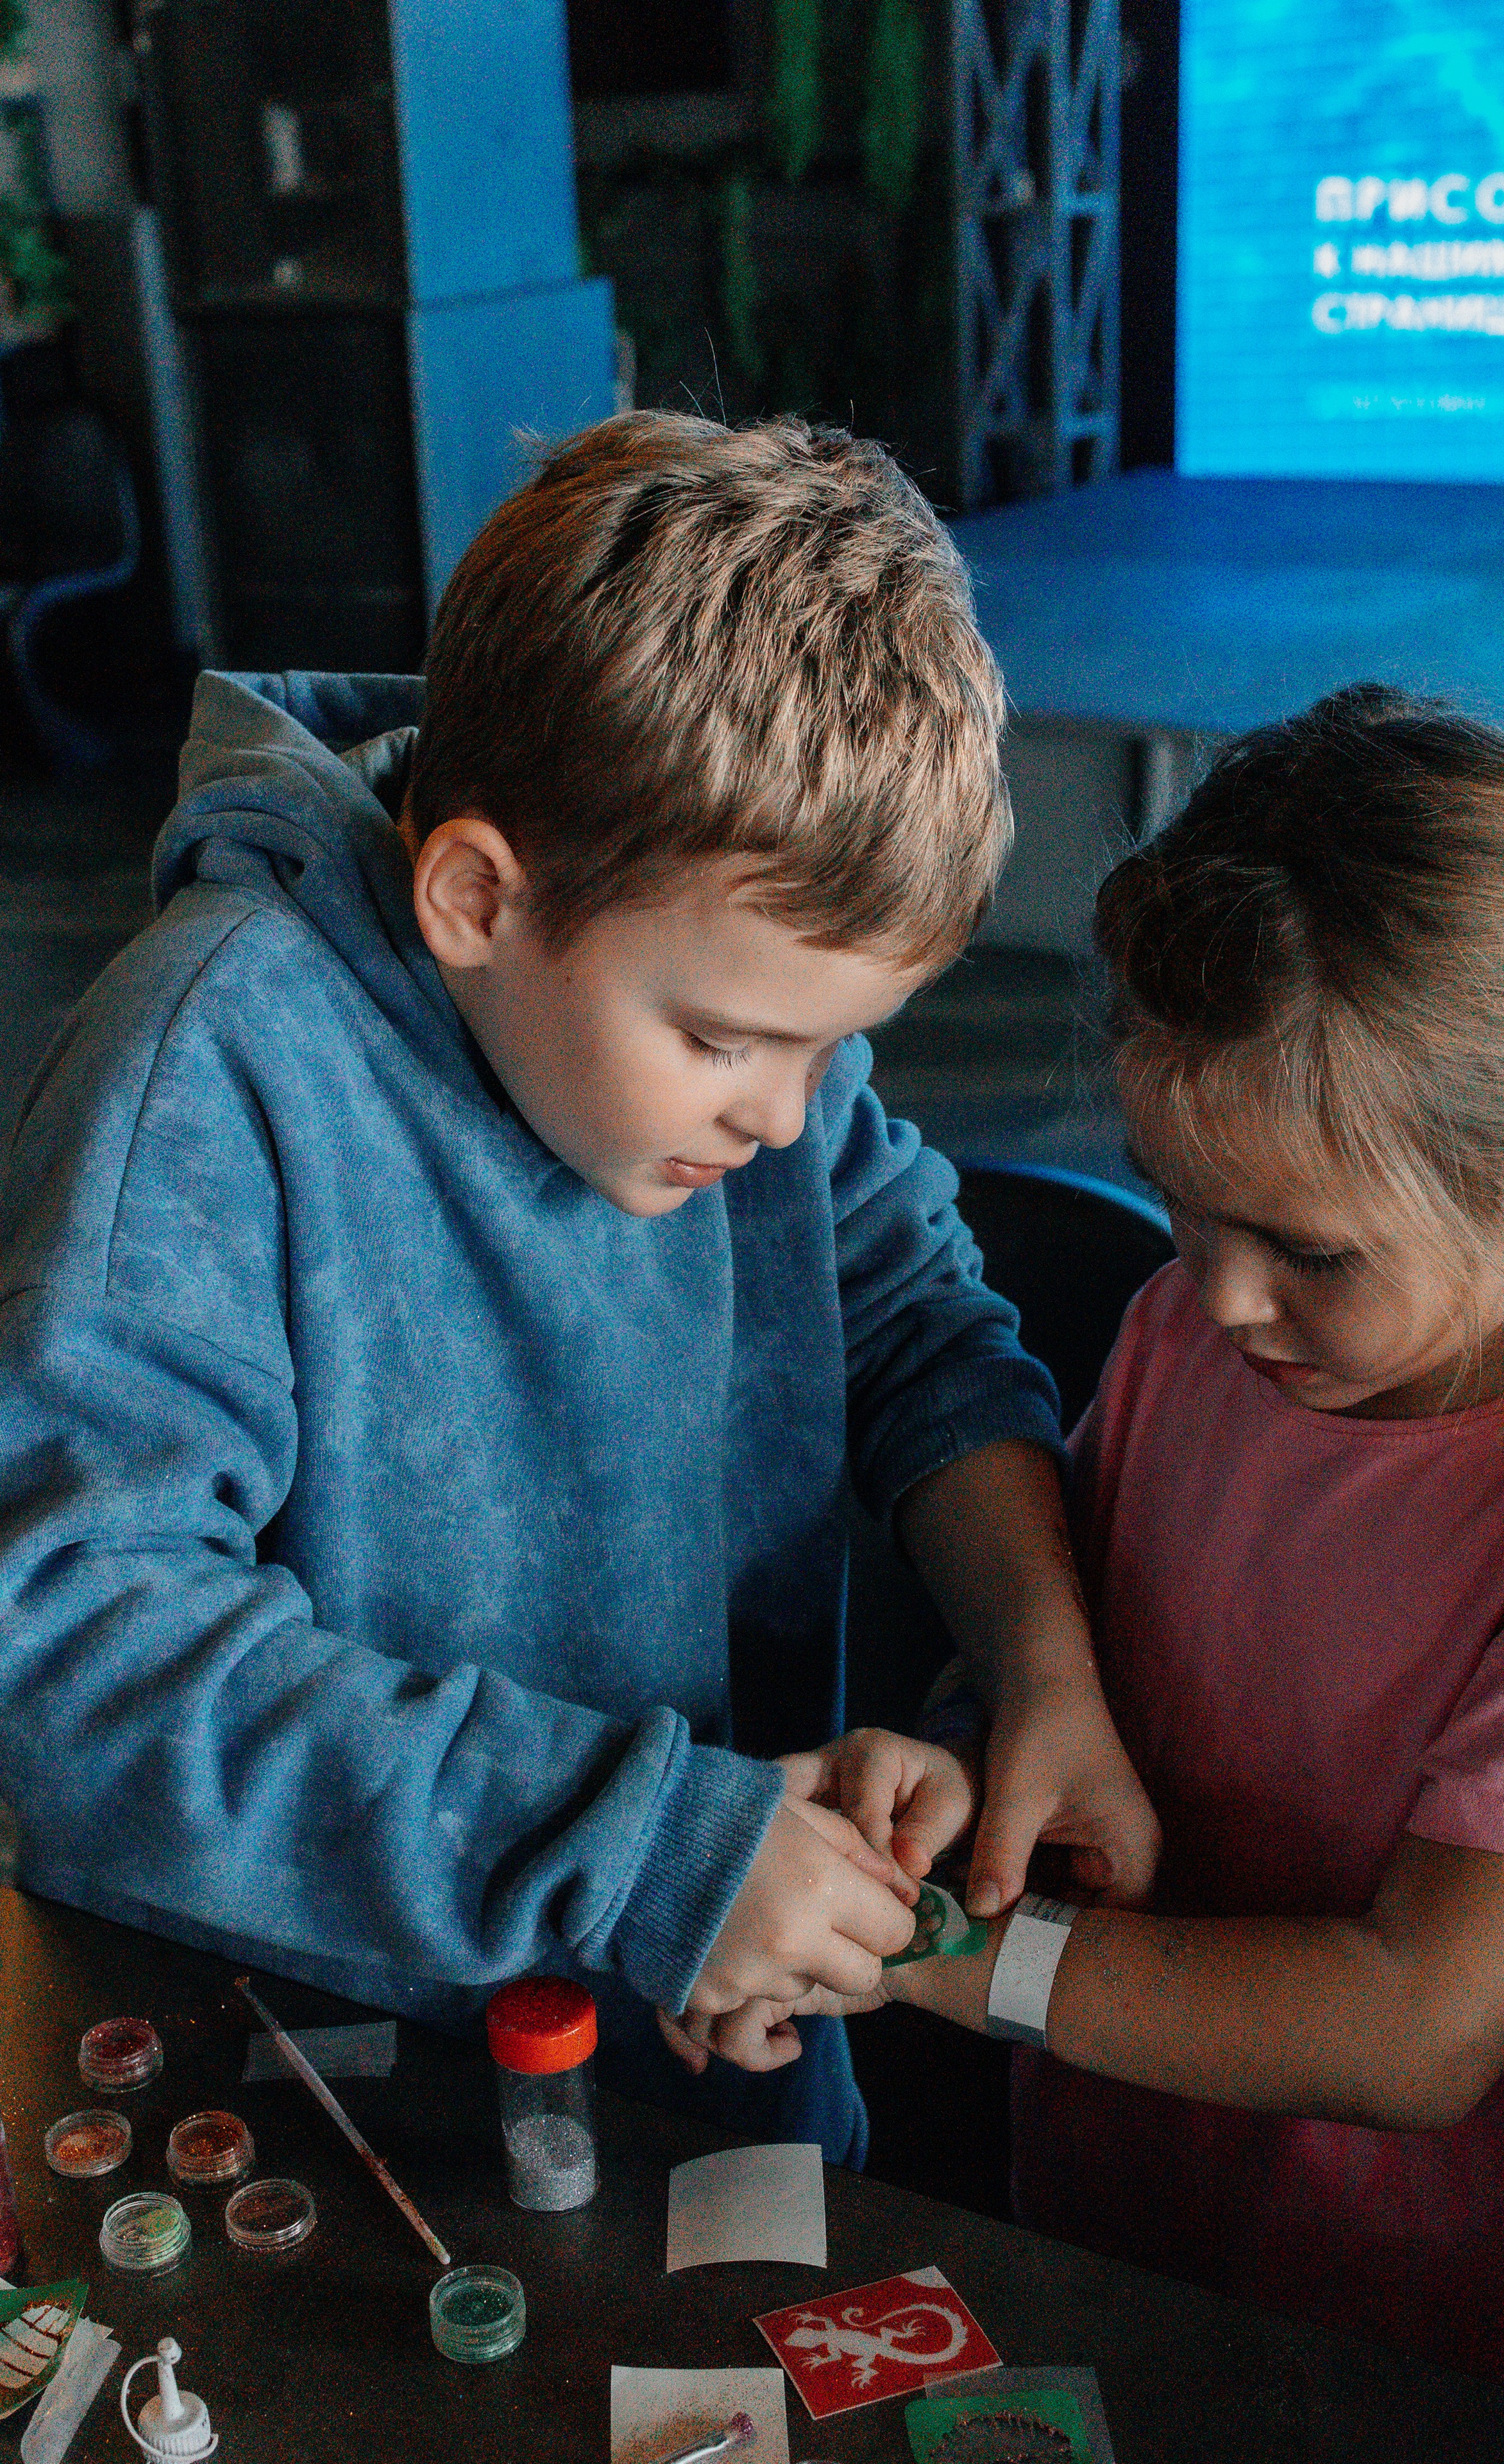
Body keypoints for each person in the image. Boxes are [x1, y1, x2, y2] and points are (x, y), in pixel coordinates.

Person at [0, 412, 1160, 2162]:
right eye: (719, 1041)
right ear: (478, 894)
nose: (784, 1117)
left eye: (833, 1048)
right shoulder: (218, 1059)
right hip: (324, 2093)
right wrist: (649, 1843)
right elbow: (74, 1653)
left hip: (699, 2016)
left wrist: (1040, 1665)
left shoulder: (746, 1020)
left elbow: (922, 1322)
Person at [684, 686, 1504, 2390]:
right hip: (1104, 2205)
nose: (1219, 1293)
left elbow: (1420, 2025)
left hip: (1412, 2323)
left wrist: (907, 1947)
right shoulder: (1187, 1336)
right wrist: (950, 1791)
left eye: (1309, 1249)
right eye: (1179, 1202)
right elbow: (1080, 1674)